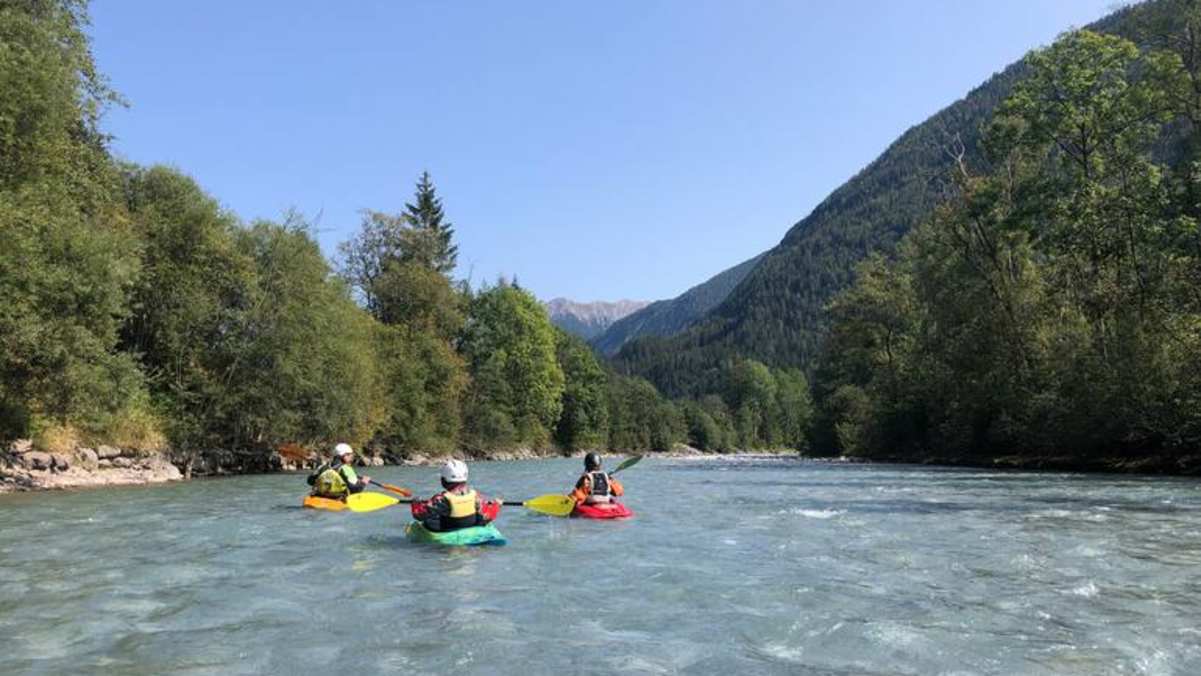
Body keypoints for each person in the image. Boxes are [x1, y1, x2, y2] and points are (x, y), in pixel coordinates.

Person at [410, 459, 500, 532]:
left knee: (429, 520)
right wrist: (496, 505)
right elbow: (487, 515)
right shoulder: (475, 495)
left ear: (444, 480)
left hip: (446, 530)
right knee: (480, 517)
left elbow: (419, 515)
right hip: (469, 528)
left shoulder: (440, 499)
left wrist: (416, 504)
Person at [307, 443, 371, 500]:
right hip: (337, 500)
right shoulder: (346, 469)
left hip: (319, 497)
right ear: (344, 455)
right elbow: (355, 490)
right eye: (350, 454)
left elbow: (310, 481)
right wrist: (363, 482)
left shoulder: (323, 466)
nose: (351, 457)